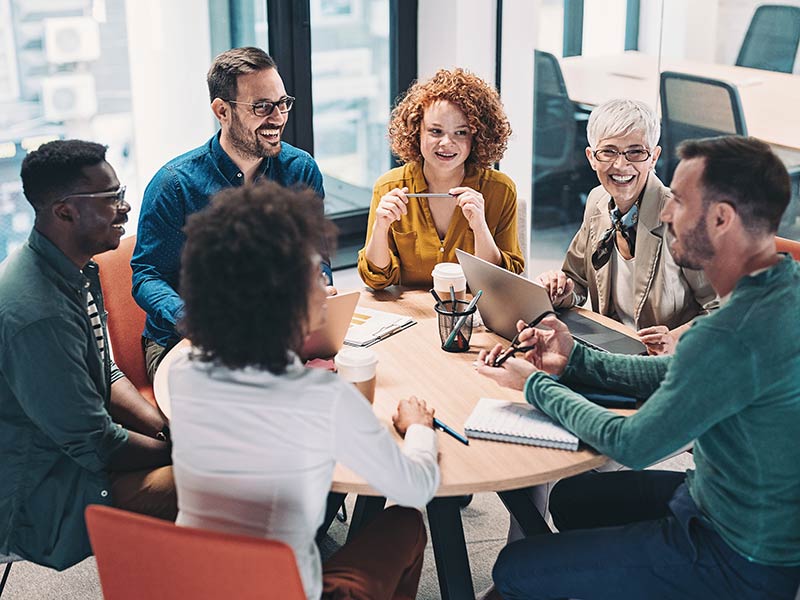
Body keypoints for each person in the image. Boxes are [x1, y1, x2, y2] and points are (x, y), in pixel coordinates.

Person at [477, 136, 800, 599]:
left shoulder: (729, 333)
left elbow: (633, 443)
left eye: (680, 202)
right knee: (572, 498)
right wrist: (574, 359)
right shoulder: (783, 285)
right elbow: (675, 375)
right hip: (719, 501)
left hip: (736, 556)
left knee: (515, 568)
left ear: (722, 218)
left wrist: (536, 387)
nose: (666, 213)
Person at [169, 180, 440, 600]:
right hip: (282, 590)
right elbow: (416, 487)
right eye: (314, 274)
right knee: (405, 521)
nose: (326, 286)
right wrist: (419, 428)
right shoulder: (320, 397)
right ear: (285, 300)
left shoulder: (184, 372)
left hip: (190, 583)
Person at [0, 140, 176, 571]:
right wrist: (181, 452)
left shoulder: (70, 266)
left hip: (76, 454)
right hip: (45, 490)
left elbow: (105, 371)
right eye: (112, 198)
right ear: (65, 212)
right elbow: (97, 443)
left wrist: (165, 429)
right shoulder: (37, 312)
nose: (126, 208)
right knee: (223, 478)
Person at [132, 46, 333, 382]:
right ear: (221, 111)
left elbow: (316, 254)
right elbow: (146, 276)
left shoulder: (300, 170)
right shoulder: (175, 185)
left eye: (283, 103)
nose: (278, 117)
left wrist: (318, 282)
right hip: (184, 341)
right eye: (262, 107)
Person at [536, 98, 717, 355]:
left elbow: (726, 309)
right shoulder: (597, 201)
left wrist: (678, 339)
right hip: (608, 350)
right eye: (609, 151)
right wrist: (558, 290)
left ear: (653, 157)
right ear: (592, 157)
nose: (621, 165)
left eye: (636, 152)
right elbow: (576, 282)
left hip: (666, 364)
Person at [358, 68, 524, 289]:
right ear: (416, 132)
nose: (446, 143)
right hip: (411, 317)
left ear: (477, 136)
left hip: (474, 316)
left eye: (461, 132)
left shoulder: (501, 190)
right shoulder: (389, 187)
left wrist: (479, 227)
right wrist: (380, 227)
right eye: (435, 131)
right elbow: (377, 279)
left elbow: (503, 282)